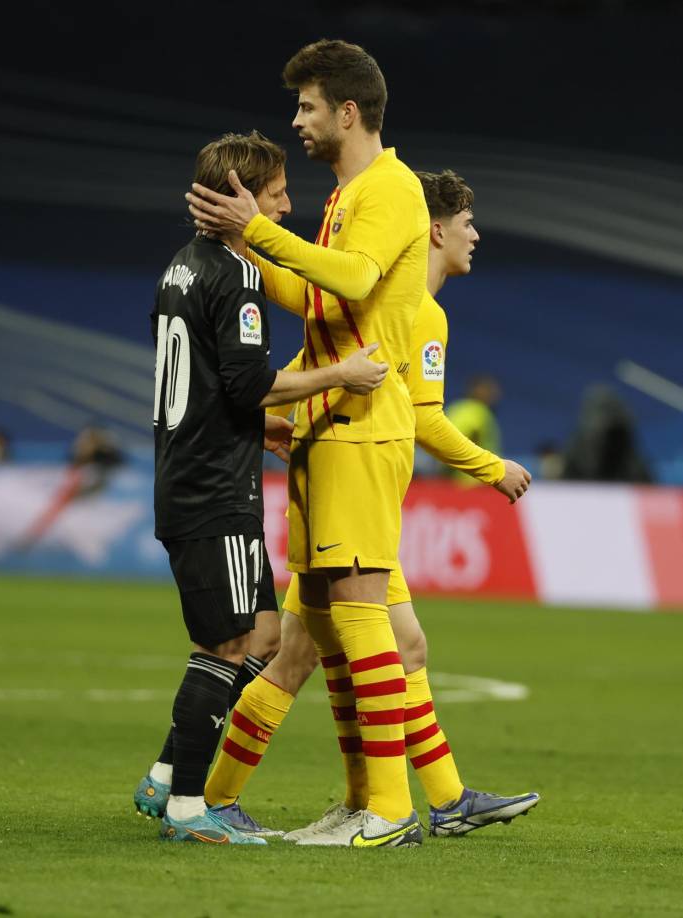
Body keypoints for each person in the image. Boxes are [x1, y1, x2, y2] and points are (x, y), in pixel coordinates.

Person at [199, 170, 538, 843]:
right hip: (351, 481)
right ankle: (220, 797)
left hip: (344, 482)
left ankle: (434, 798)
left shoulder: (388, 304)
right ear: (434, 230)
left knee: (387, 645)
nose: (474, 235)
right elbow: (422, 418)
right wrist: (490, 466)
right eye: (466, 222)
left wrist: (275, 412)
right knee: (313, 654)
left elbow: (306, 359)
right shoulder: (420, 310)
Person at [187, 40, 430, 847]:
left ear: (347, 111)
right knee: (318, 627)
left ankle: (391, 809)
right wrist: (248, 238)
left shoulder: (391, 188)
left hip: (363, 429)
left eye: (307, 107)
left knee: (358, 609)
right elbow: (317, 296)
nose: (297, 121)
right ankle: (361, 800)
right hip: (326, 428)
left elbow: (354, 280)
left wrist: (258, 227)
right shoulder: (345, 193)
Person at [136, 130, 387, 845]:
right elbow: (249, 381)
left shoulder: (180, 267)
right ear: (243, 193)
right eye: (275, 189)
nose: (285, 200)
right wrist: (339, 377)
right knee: (224, 645)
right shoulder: (238, 275)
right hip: (213, 485)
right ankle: (188, 806)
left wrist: (261, 429)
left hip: (199, 466)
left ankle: (165, 775)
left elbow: (219, 386)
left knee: (263, 635)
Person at [446, 375, 502, 486]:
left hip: (464, 479)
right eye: (488, 390)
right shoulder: (476, 411)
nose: (494, 395)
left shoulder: (456, 407)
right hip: (470, 482)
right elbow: (450, 441)